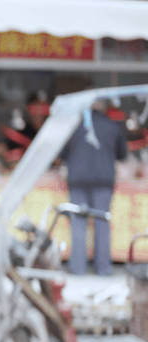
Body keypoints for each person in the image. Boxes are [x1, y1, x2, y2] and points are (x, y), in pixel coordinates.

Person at [59, 99, 128, 276]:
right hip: (103, 181)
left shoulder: (74, 127)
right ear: (105, 109)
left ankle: (78, 268)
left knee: (79, 224)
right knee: (102, 224)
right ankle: (103, 269)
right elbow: (122, 155)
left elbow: (62, 154)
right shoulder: (113, 127)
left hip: (78, 181)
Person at [0, 92, 50, 171]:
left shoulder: (53, 132)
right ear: (29, 109)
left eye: (44, 107)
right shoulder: (21, 133)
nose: (41, 112)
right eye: (36, 107)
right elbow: (8, 156)